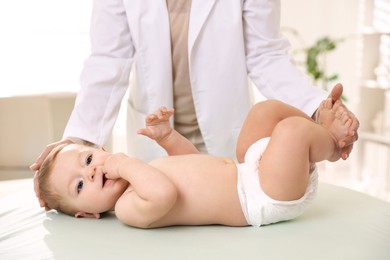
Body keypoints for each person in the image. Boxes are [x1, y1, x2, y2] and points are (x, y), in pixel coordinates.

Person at [31, 1, 359, 208]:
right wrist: (77, 141)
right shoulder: (131, 199)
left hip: (230, 137)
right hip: (157, 142)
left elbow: (265, 55)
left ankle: (326, 138)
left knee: (272, 118)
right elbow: (109, 60)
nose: (89, 171)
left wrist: (316, 107)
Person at [36, 87, 353, 228]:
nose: (90, 174)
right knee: (291, 134)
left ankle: (317, 127)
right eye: (79, 186)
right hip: (263, 197)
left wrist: (169, 138)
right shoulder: (129, 208)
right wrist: (124, 163)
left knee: (264, 111)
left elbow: (192, 162)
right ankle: (330, 142)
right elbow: (165, 193)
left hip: (248, 170)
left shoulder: (139, 175)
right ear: (86, 214)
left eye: (88, 161)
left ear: (101, 150)